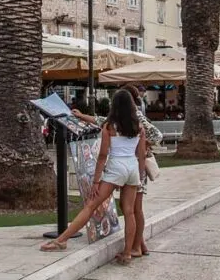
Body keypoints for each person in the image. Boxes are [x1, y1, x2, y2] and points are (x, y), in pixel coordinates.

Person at [41, 90, 145, 263]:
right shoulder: (139, 126)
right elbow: (141, 155)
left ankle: (61, 240)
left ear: (115, 105)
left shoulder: (110, 126)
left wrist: (96, 181)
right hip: (132, 168)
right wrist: (139, 177)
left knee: (90, 206)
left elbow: (103, 155)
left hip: (116, 168)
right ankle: (127, 252)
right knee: (129, 212)